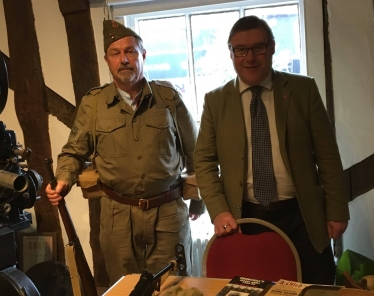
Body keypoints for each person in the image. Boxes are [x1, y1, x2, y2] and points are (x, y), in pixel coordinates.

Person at [46, 19, 204, 286]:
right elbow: (73, 152)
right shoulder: (94, 104)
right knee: (124, 287)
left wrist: (200, 199)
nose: (124, 60)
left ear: (143, 55)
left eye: (130, 51)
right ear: (107, 61)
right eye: (115, 53)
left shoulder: (169, 98)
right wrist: (63, 179)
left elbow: (197, 153)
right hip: (117, 216)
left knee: (173, 288)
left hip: (167, 213)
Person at [194, 15, 349, 285]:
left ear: (273, 47)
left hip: (302, 214)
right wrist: (218, 210)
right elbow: (204, 161)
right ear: (231, 53)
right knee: (256, 285)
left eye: (258, 47)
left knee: (317, 286)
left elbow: (328, 157)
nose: (250, 57)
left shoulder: (303, 90)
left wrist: (337, 209)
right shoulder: (215, 101)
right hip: (245, 216)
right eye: (240, 50)